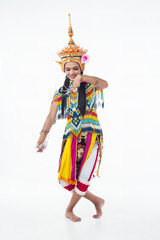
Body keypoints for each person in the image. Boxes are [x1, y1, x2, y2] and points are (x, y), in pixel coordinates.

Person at [36, 14, 109, 222]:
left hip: (92, 136)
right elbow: (51, 116)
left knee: (84, 177)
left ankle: (69, 210)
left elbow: (105, 84)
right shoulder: (61, 93)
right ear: (63, 70)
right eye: (67, 69)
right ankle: (96, 200)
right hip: (71, 138)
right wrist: (42, 139)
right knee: (66, 182)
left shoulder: (90, 84)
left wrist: (83, 78)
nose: (71, 72)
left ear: (81, 67)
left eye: (75, 68)